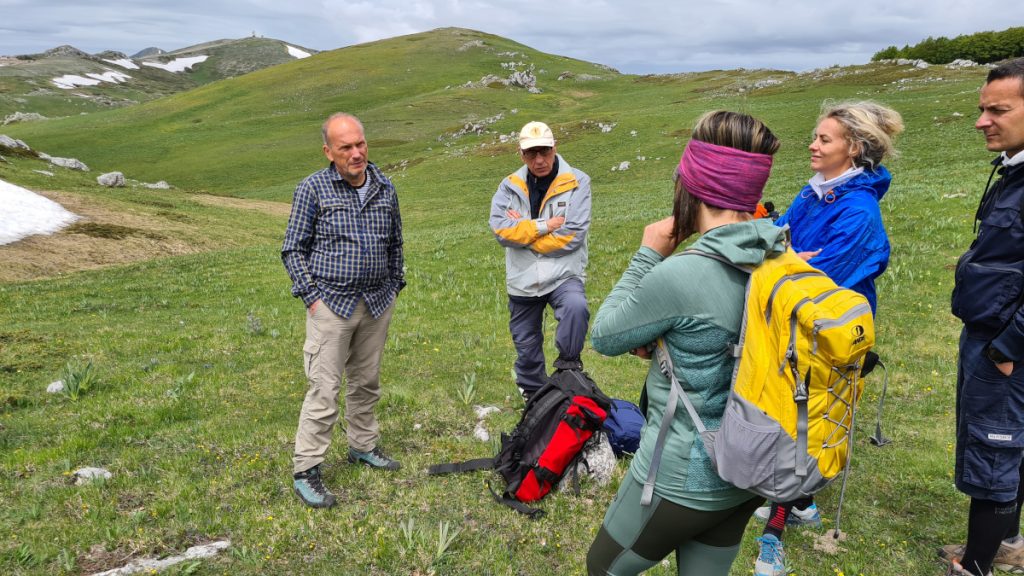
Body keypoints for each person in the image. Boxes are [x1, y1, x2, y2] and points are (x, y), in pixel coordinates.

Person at [585, 110, 784, 575]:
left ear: (693, 186)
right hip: (748, 470)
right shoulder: (777, 252)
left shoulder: (686, 270)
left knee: (603, 569)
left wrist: (649, 253)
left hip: (681, 477)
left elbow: (606, 334)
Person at [752, 100, 904, 576]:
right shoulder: (814, 192)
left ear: (853, 149)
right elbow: (775, 242)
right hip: (794, 326)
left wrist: (784, 258)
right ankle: (804, 506)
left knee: (801, 422)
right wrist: (785, 253)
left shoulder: (857, 210)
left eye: (824, 139)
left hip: (827, 332)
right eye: (816, 136)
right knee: (795, 412)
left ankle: (772, 539)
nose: (812, 145)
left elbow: (818, 280)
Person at [282, 112, 406, 509]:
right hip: (331, 304)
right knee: (324, 389)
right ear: (328, 152)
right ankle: (306, 468)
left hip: (377, 302)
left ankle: (362, 446)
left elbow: (396, 243)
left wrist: (394, 285)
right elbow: (292, 248)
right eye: (346, 147)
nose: (356, 153)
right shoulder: (312, 189)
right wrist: (312, 298)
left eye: (361, 144)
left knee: (366, 381)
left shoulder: (385, 186)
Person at [939, 57, 1024, 576]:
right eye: (981, 108)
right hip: (993, 336)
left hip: (1006, 345)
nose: (981, 121)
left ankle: (974, 567)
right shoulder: (1013, 170)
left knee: (994, 448)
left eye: (998, 109)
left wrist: (1008, 347)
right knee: (1008, 442)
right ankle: (1008, 543)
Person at [489, 121, 591, 400]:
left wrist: (523, 232)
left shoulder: (578, 182)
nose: (539, 160)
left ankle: (568, 369)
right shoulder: (508, 186)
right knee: (526, 343)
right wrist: (544, 226)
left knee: (575, 307)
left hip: (563, 273)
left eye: (544, 151)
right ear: (521, 154)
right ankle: (533, 396)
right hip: (522, 279)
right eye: (531, 153)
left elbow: (573, 235)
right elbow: (500, 231)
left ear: (555, 147)